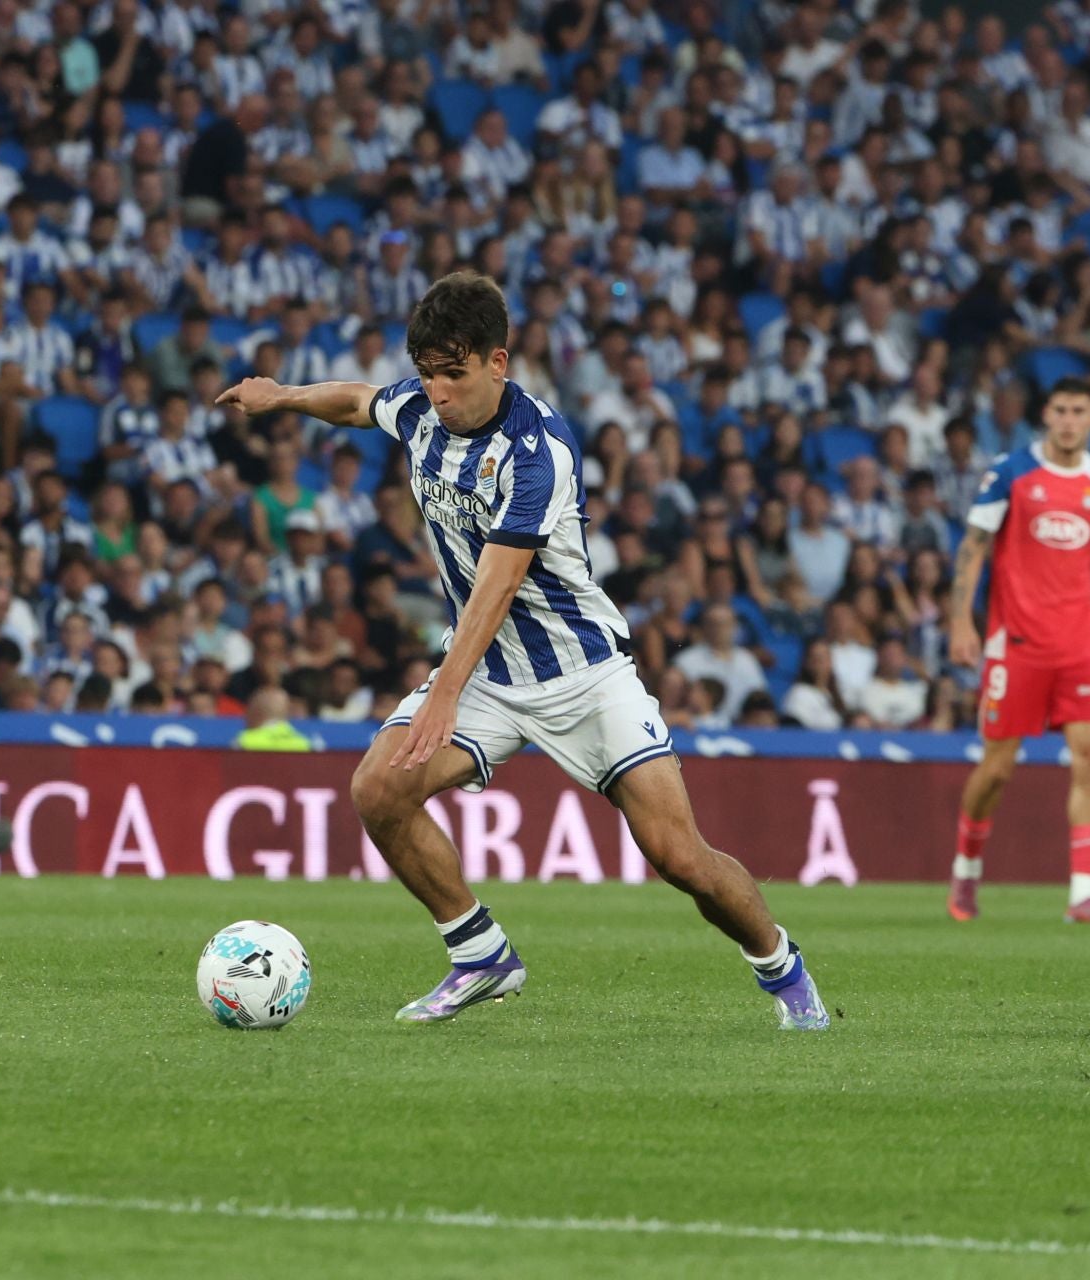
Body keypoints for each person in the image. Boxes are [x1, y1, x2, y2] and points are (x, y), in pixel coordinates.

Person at [217, 271, 828, 1031]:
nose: (438, 392)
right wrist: (283, 396)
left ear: (497, 364)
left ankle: (782, 967)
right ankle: (480, 953)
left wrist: (441, 693)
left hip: (582, 676)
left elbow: (497, 587)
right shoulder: (418, 407)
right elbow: (356, 401)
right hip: (489, 674)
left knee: (678, 856)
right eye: (429, 374)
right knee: (379, 790)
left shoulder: (537, 455)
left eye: (455, 374)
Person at [946, 377, 1090, 925]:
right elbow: (973, 547)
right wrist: (961, 621)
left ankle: (1082, 895)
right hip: (1016, 643)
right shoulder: (1011, 472)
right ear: (1045, 416)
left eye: (1079, 410)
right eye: (1060, 409)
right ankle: (967, 870)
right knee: (997, 768)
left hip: (1079, 646)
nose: (1069, 420)